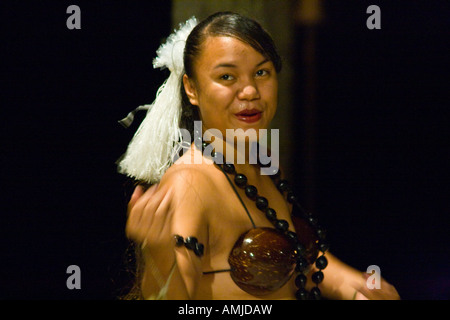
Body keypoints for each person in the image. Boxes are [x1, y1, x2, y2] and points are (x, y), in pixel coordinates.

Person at [118, 12, 400, 300]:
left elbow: (294, 257)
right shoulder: (189, 183)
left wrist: (353, 288)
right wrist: (160, 256)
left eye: (261, 73)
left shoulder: (263, 163)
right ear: (192, 88)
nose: (250, 91)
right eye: (226, 76)